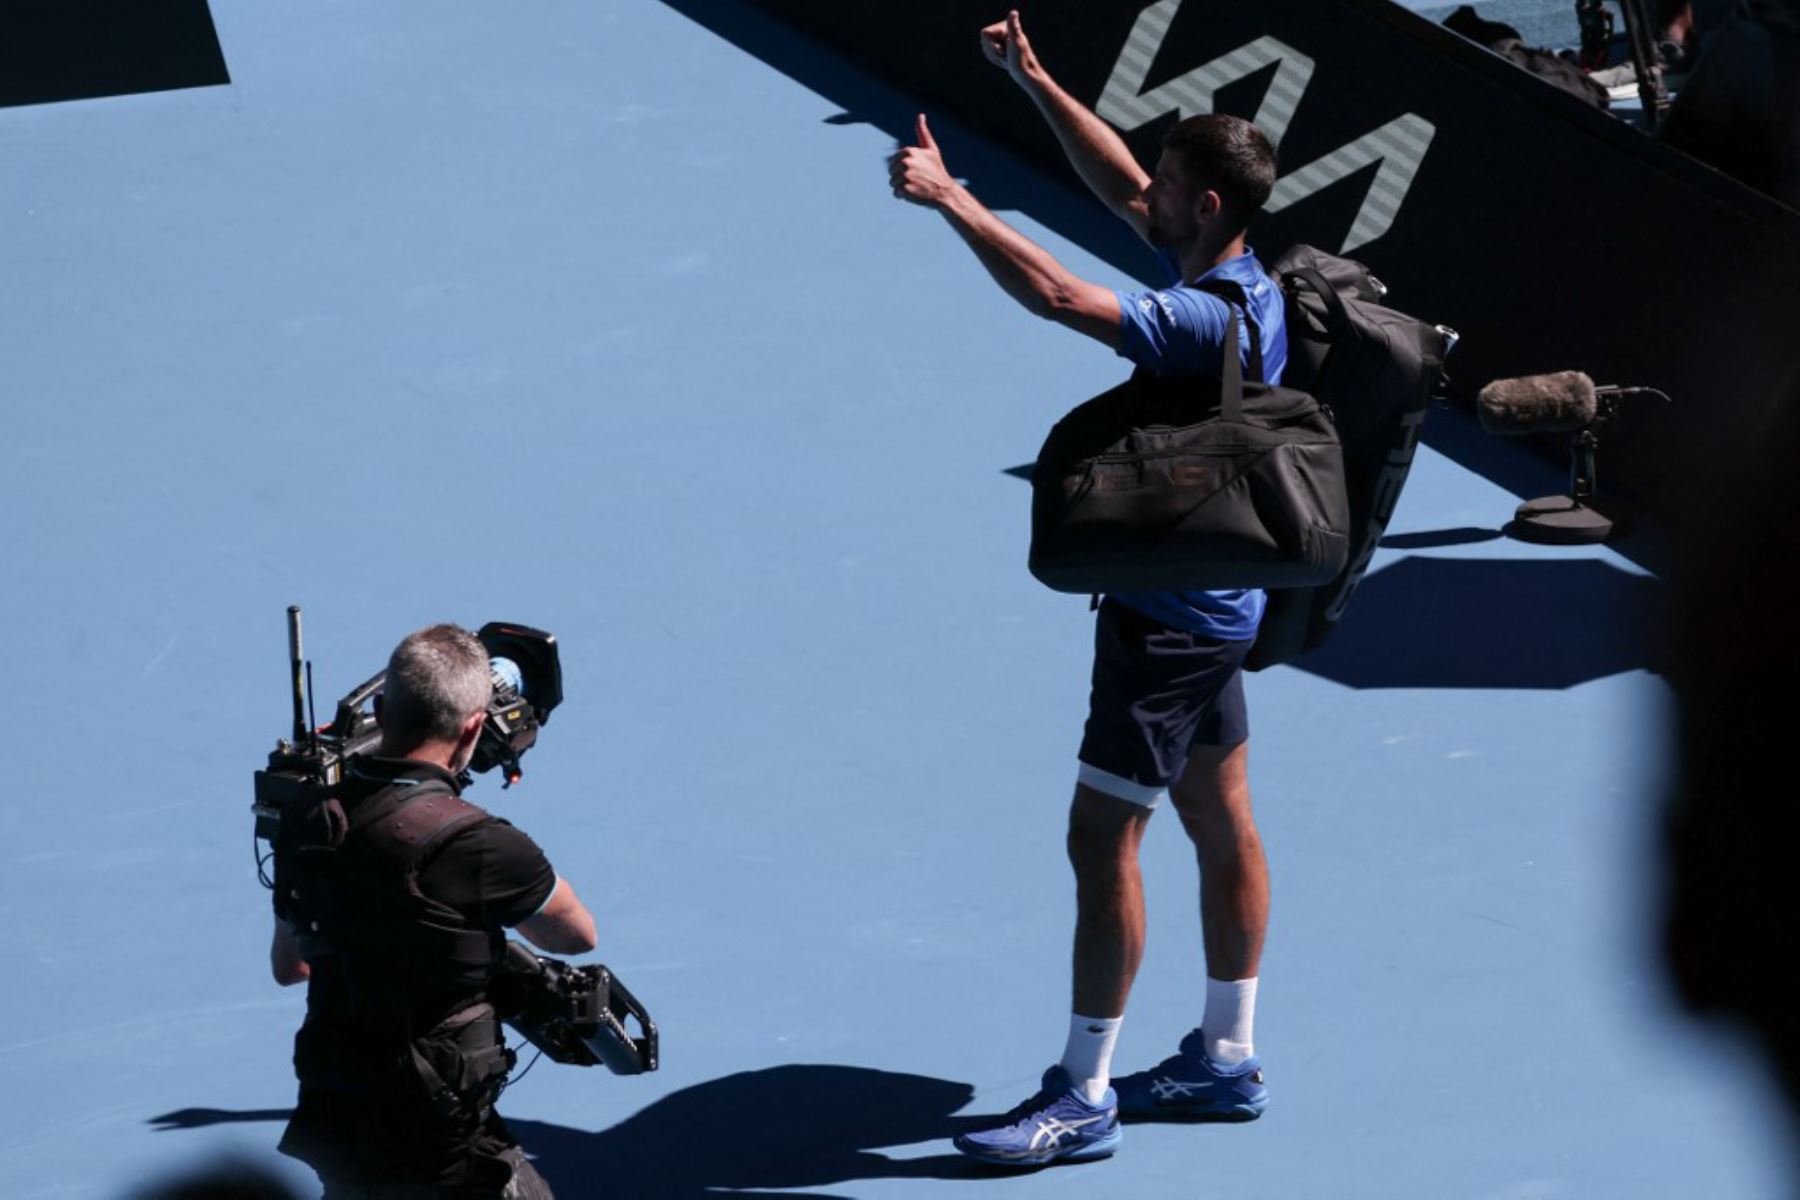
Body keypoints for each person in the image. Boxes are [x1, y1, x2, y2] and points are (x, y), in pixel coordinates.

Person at [888, 10, 1285, 1168]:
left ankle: (1084, 1090)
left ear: (1203, 205)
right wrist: (1034, 78)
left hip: (1168, 627)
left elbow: (1062, 298)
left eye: (1165, 184)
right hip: (1221, 600)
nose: (1142, 194)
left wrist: (953, 200)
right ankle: (1225, 1057)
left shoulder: (1196, 318)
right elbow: (1119, 185)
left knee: (1101, 835)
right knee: (1220, 815)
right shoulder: (1246, 275)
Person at [268, 624, 598, 1198]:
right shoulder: (483, 846)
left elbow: (291, 965)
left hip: (339, 1115)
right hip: (441, 1139)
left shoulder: (304, 820)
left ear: (378, 707)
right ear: (474, 727)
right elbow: (576, 936)